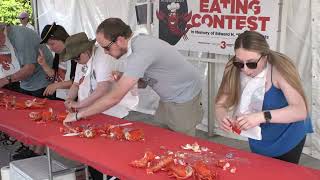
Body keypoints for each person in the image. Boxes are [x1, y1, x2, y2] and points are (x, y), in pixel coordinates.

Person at [64, 18, 203, 137]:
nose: (105, 53)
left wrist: (79, 115)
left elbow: (114, 97)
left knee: (182, 144)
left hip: (184, 95)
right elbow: (143, 83)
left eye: (106, 48)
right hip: (169, 97)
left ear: (119, 40)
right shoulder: (135, 48)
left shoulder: (141, 50)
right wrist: (124, 77)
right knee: (163, 137)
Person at [215, 31, 313, 164]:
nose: (245, 70)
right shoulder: (233, 68)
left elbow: (300, 111)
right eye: (239, 63)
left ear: (265, 57)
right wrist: (222, 116)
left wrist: (261, 116)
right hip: (260, 136)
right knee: (261, 168)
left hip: (288, 134)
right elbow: (220, 104)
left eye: (251, 63)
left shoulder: (280, 69)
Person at [61, 32, 138, 118]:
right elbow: (76, 84)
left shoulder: (102, 56)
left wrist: (79, 104)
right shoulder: (81, 59)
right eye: (73, 59)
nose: (76, 61)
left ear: (86, 51)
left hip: (112, 111)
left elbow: (103, 88)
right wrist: (69, 99)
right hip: (91, 110)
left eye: (76, 58)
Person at [0, 23, 54, 98]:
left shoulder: (20, 36)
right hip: (25, 82)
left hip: (40, 83)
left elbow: (28, 69)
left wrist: (4, 80)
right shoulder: (6, 36)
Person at [38, 22, 77, 99]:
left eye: (52, 44)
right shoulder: (58, 53)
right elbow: (56, 76)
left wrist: (57, 85)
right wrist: (44, 65)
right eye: (48, 45)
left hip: (75, 98)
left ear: (62, 38)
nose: (51, 48)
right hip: (61, 96)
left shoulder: (76, 52)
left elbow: (78, 80)